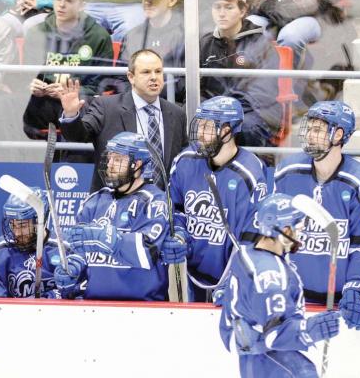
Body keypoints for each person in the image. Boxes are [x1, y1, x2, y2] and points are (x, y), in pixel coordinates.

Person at [274, 100, 360, 330]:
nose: (310, 135)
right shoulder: (287, 172)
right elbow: (270, 233)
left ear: (338, 135)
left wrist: (358, 286)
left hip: (348, 292)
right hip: (301, 296)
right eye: (309, 128)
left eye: (318, 130)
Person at [217, 193, 340, 378]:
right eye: (297, 229)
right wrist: (310, 329)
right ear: (284, 231)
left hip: (255, 354)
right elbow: (274, 335)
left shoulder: (248, 253)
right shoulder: (272, 277)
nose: (299, 236)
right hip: (266, 358)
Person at [53, 132, 181, 300]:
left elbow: (148, 251)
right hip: (94, 307)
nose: (110, 165)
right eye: (110, 159)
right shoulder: (93, 201)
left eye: (118, 160)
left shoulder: (155, 201)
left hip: (144, 308)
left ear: (138, 164)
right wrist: (72, 270)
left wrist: (108, 239)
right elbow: (76, 251)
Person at [166, 96, 268, 301]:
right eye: (199, 126)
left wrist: (236, 279)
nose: (200, 134)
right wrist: (178, 232)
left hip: (232, 274)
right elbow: (175, 208)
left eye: (207, 127)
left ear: (227, 130)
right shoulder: (185, 160)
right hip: (191, 273)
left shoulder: (250, 173)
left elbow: (254, 236)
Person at [59, 48, 188, 192]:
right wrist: (71, 114)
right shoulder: (106, 107)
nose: (154, 77)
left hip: (162, 206)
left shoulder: (177, 114)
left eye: (158, 71)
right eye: (146, 72)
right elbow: (78, 136)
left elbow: (181, 162)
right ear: (131, 77)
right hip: (116, 205)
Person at [22, 0, 113, 164]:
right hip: (42, 101)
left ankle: (72, 178)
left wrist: (71, 95)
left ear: (81, 5)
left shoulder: (98, 36)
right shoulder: (37, 32)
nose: (62, 5)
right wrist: (31, 85)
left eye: (69, 0)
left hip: (78, 103)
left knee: (81, 112)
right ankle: (17, 167)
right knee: (11, 105)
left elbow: (101, 86)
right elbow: (23, 76)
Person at [200, 0, 282, 149]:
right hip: (212, 111)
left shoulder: (261, 45)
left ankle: (246, 168)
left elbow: (262, 94)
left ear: (243, 10)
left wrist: (226, 114)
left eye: (228, 7)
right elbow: (187, 84)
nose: (221, 13)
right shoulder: (204, 43)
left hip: (249, 112)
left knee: (246, 128)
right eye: (217, 7)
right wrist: (207, 109)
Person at [0, 187, 62, 298]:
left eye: (23, 225)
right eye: (13, 225)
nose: (17, 233)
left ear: (39, 221)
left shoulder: (64, 250)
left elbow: (77, 294)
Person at [117, 0, 185, 102]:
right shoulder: (132, 36)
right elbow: (120, 79)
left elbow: (186, 82)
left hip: (172, 105)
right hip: (135, 107)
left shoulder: (185, 37)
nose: (147, 2)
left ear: (171, 0)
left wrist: (149, 94)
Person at [247, 0, 321, 68]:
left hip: (305, 17)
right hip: (271, 14)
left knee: (290, 36)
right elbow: (255, 1)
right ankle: (255, 74)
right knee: (251, 23)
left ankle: (290, 74)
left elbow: (311, 3)